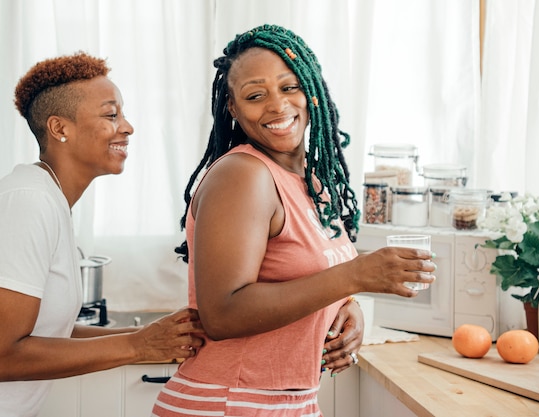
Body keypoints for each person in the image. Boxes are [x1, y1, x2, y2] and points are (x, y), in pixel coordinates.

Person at [153, 25, 436, 416]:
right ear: (232, 109)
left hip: (287, 402)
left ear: (312, 89)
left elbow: (302, 276)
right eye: (255, 95)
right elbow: (222, 314)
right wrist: (355, 276)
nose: (277, 106)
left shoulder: (312, 182)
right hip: (230, 402)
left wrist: (345, 308)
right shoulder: (243, 175)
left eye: (290, 87)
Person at [0, 52, 204, 417]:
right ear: (60, 129)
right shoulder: (25, 203)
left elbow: (50, 332)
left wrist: (154, 336)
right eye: (111, 114)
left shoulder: (49, 201)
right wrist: (137, 346)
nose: (128, 127)